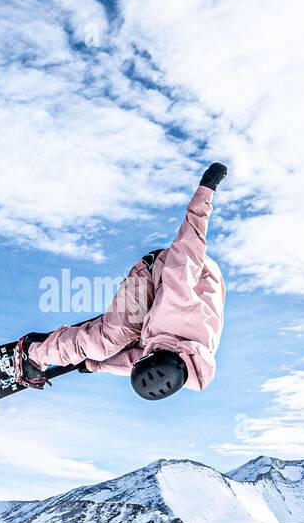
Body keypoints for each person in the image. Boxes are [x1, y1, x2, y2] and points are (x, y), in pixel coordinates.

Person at [17, 164, 228, 401]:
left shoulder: (186, 369)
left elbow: (131, 363)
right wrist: (206, 191)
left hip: (160, 321)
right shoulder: (180, 302)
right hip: (159, 271)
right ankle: (31, 354)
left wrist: (94, 365)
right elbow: (188, 247)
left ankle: (88, 340)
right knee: (111, 337)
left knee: (112, 345)